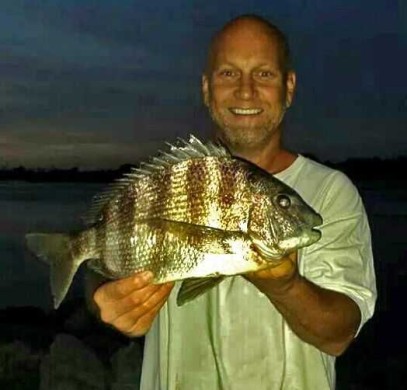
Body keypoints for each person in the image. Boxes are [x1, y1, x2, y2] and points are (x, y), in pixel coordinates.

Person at [88, 14, 376, 389]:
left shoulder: (331, 192)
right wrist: (103, 301)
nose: (245, 90)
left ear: (289, 87)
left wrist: (286, 286)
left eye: (264, 74)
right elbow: (105, 256)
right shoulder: (168, 182)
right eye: (228, 74)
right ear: (206, 89)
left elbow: (340, 334)